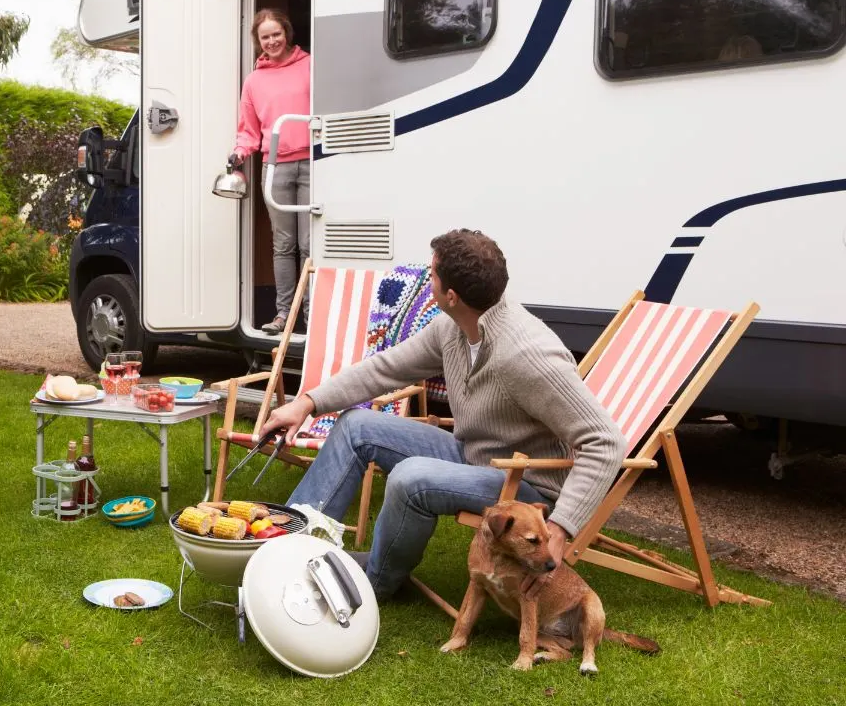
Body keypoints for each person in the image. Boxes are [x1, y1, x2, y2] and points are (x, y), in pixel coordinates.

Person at [262, 229, 627, 600]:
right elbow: (383, 369)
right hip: (473, 456)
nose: (428, 278)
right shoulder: (451, 327)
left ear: (450, 296)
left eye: (432, 274)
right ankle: (288, 548)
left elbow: (606, 442)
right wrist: (306, 402)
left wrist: (560, 531)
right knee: (356, 426)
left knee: (411, 477)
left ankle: (377, 581)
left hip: (525, 483)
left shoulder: (527, 355)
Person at [230, 8, 312, 334]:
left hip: (311, 164)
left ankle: (311, 315)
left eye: (276, 33)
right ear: (258, 41)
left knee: (309, 244)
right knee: (284, 245)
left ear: (286, 32)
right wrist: (239, 152)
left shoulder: (309, 65)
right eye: (265, 36)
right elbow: (248, 130)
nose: (272, 40)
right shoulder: (254, 81)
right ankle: (284, 316)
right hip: (274, 166)